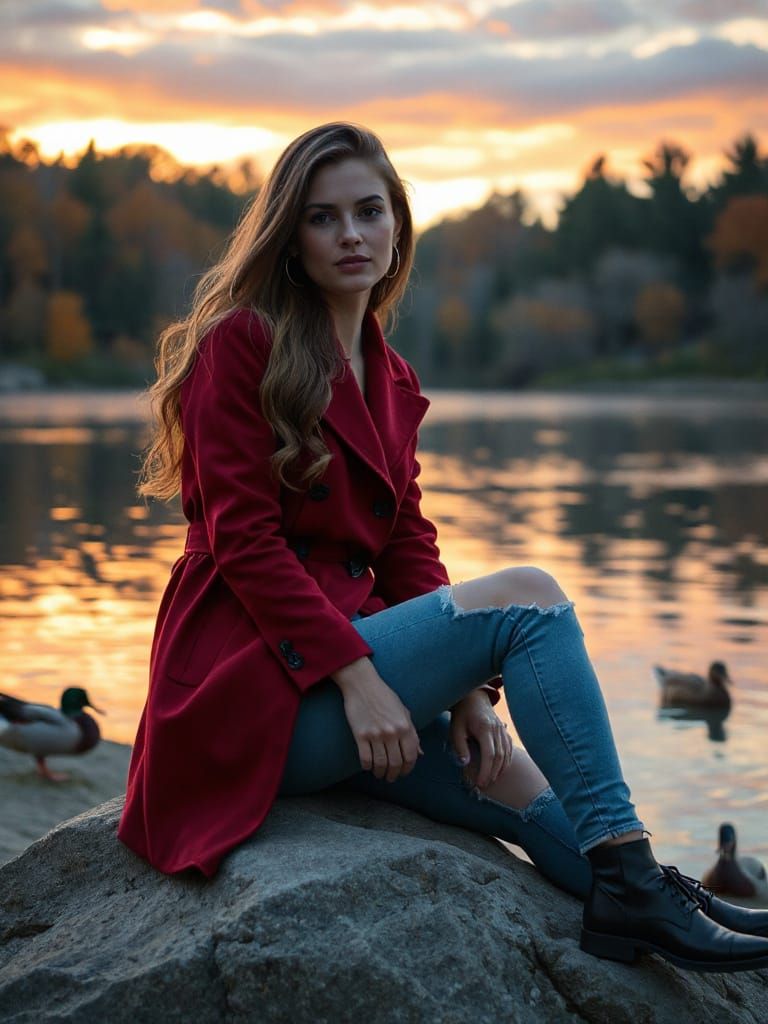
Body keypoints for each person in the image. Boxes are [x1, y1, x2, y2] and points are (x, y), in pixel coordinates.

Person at [118, 123, 768, 973]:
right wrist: (359, 680)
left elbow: (406, 544)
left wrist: (468, 695)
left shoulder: (390, 376)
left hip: (350, 682)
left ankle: (650, 892)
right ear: (290, 235)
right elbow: (243, 543)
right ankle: (641, 889)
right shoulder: (242, 345)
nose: (350, 234)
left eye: (368, 211)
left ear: (397, 227)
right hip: (256, 691)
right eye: (323, 218)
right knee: (530, 597)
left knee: (516, 789)